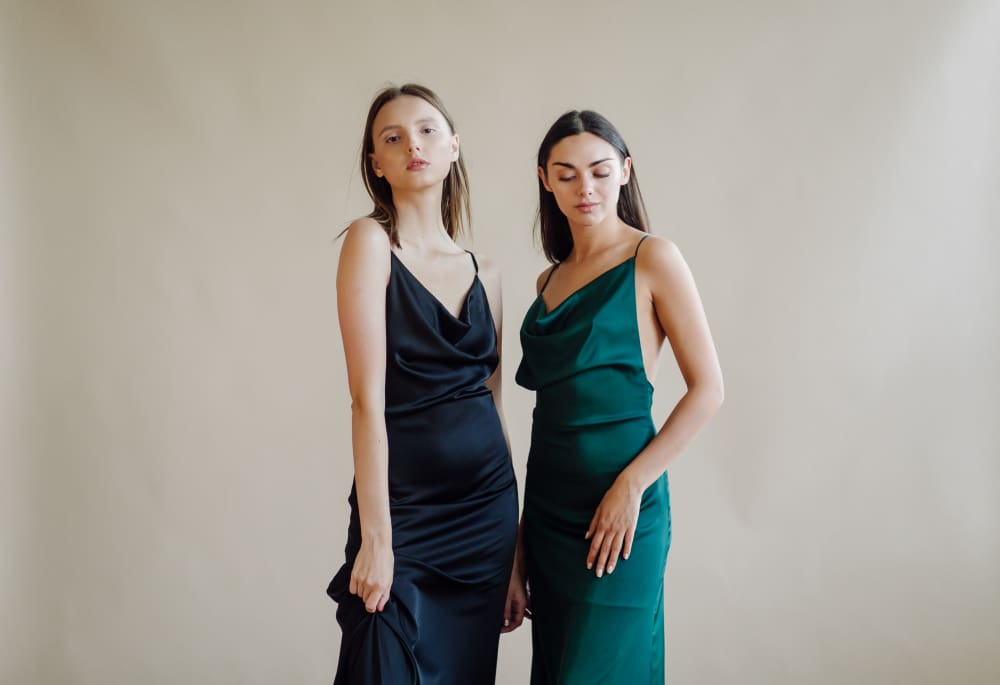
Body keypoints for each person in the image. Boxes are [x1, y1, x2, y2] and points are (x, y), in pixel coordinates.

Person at [511, 110, 725, 684]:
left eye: (601, 172)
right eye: (567, 174)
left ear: (625, 173)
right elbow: (547, 424)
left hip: (623, 507)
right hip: (551, 511)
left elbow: (708, 390)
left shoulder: (653, 257)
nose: (586, 188)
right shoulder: (548, 282)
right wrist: (520, 546)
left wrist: (631, 485)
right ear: (545, 180)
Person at [327, 84, 518, 685]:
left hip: (484, 518)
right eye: (393, 137)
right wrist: (378, 540)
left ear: (453, 147)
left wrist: (515, 553)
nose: (413, 144)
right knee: (381, 660)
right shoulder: (370, 244)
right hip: (404, 516)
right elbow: (365, 402)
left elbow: (492, 403)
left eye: (428, 130)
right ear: (375, 164)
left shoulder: (485, 271)